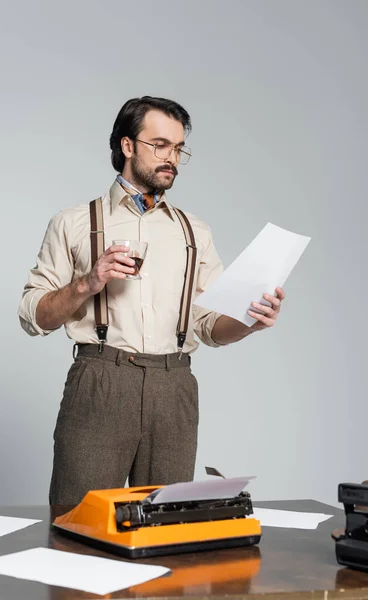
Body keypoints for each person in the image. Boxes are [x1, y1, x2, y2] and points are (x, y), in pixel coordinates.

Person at [18, 96, 285, 505]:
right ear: (128, 146)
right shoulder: (74, 222)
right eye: (160, 145)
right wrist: (88, 283)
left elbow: (210, 326)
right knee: (79, 521)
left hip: (173, 384)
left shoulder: (194, 232)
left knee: (166, 525)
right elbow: (32, 315)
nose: (172, 158)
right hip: (101, 379)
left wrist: (251, 320)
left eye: (179, 149)